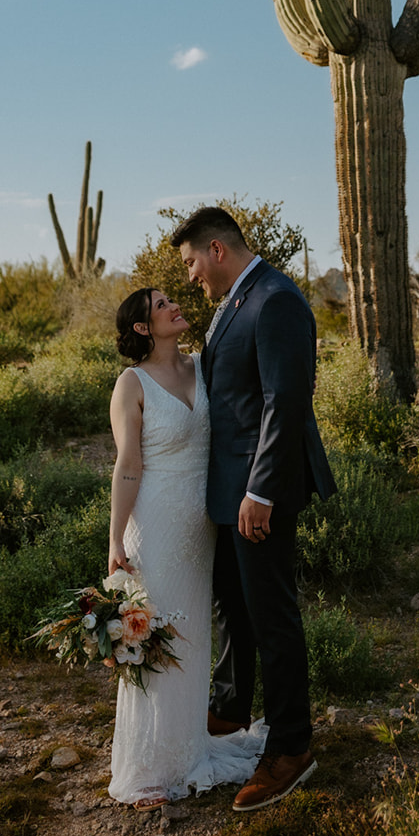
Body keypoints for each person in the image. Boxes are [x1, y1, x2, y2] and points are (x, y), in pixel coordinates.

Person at [171, 205, 337, 813]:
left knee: (271, 615)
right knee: (232, 604)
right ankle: (232, 705)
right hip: (227, 489)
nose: (190, 277)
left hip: (257, 492)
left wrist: (260, 492)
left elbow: (284, 400)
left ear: (217, 250)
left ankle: (292, 746)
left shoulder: (275, 300)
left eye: (191, 262)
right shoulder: (235, 302)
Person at [106, 286, 264, 808]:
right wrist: (115, 537)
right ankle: (149, 767)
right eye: (161, 305)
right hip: (155, 523)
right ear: (144, 328)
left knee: (192, 631)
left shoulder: (203, 365)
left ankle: (187, 747)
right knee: (157, 635)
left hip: (202, 525)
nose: (175, 305)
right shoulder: (131, 383)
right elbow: (129, 464)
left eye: (173, 298)